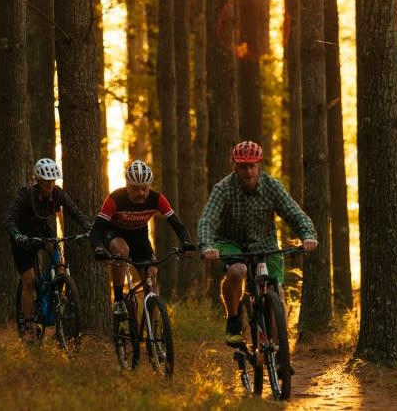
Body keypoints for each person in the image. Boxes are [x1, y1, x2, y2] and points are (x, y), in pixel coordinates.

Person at [198, 141, 318, 346]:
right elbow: (208, 219)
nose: (248, 171)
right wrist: (207, 246)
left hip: (265, 244)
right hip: (231, 243)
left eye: (252, 165)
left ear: (259, 165)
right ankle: (234, 320)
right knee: (237, 271)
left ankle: (279, 353)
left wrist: (308, 235)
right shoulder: (223, 189)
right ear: (234, 166)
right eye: (243, 166)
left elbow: (294, 213)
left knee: (275, 293)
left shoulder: (272, 186)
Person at [90, 160, 195, 317]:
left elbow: (177, 225)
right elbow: (97, 229)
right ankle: (118, 300)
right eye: (135, 188)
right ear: (127, 185)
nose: (141, 193)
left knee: (152, 277)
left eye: (144, 189)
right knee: (122, 250)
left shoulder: (157, 199)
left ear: (150, 186)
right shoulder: (115, 198)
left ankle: (155, 334)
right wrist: (98, 248)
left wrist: (186, 242)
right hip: (114, 233)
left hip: (139, 237)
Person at [5, 158, 92, 343]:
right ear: (37, 179)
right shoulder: (26, 194)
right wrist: (17, 235)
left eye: (53, 181)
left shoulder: (57, 193)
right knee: (28, 281)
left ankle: (57, 294)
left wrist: (87, 226)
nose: (49, 185)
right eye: (46, 181)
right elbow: (9, 219)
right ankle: (28, 326)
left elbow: (74, 211)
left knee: (58, 259)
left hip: (43, 232)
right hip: (23, 238)